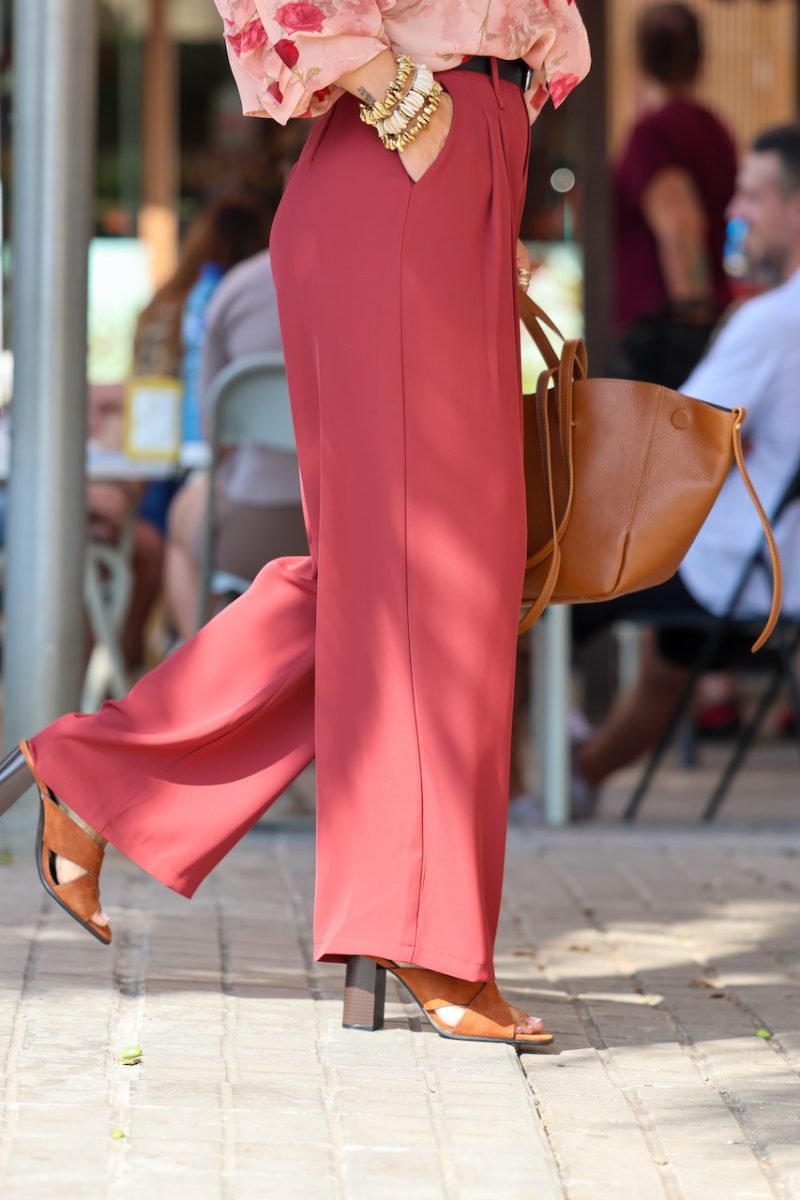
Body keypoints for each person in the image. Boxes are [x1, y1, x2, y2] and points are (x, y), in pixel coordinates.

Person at [0, 3, 590, 1048]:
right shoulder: (407, 115)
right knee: (426, 574)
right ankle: (419, 927)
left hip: (464, 148)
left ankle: (98, 777)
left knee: (416, 576)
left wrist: (486, 173)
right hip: (407, 137)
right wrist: (393, 95)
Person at [572, 123, 800, 806]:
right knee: (665, 665)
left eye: (751, 196)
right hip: (770, 565)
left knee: (536, 596)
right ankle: (579, 782)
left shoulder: (771, 321)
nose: (733, 210)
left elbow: (672, 440)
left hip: (736, 567)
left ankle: (527, 789)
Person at [166, 248, 307, 640]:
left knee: (182, 524)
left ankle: (209, 657)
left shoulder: (238, 289)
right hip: (357, 525)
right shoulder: (381, 277)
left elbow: (215, 432)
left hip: (257, 519)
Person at [613, 2, 737, 388]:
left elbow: (681, 225)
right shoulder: (715, 129)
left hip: (663, 343)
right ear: (700, 59)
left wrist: (688, 338)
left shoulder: (653, 134)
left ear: (639, 59)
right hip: (703, 325)